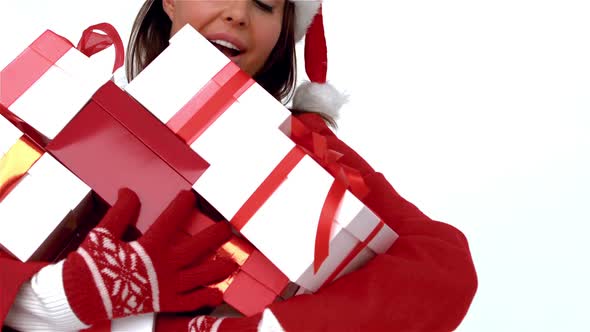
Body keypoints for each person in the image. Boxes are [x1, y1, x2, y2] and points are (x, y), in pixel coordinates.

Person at [1, 0, 478, 331]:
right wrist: (53, 300)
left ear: (285, 32)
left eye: (266, 4)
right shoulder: (65, 116)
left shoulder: (313, 157)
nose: (238, 13)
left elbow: (443, 272)